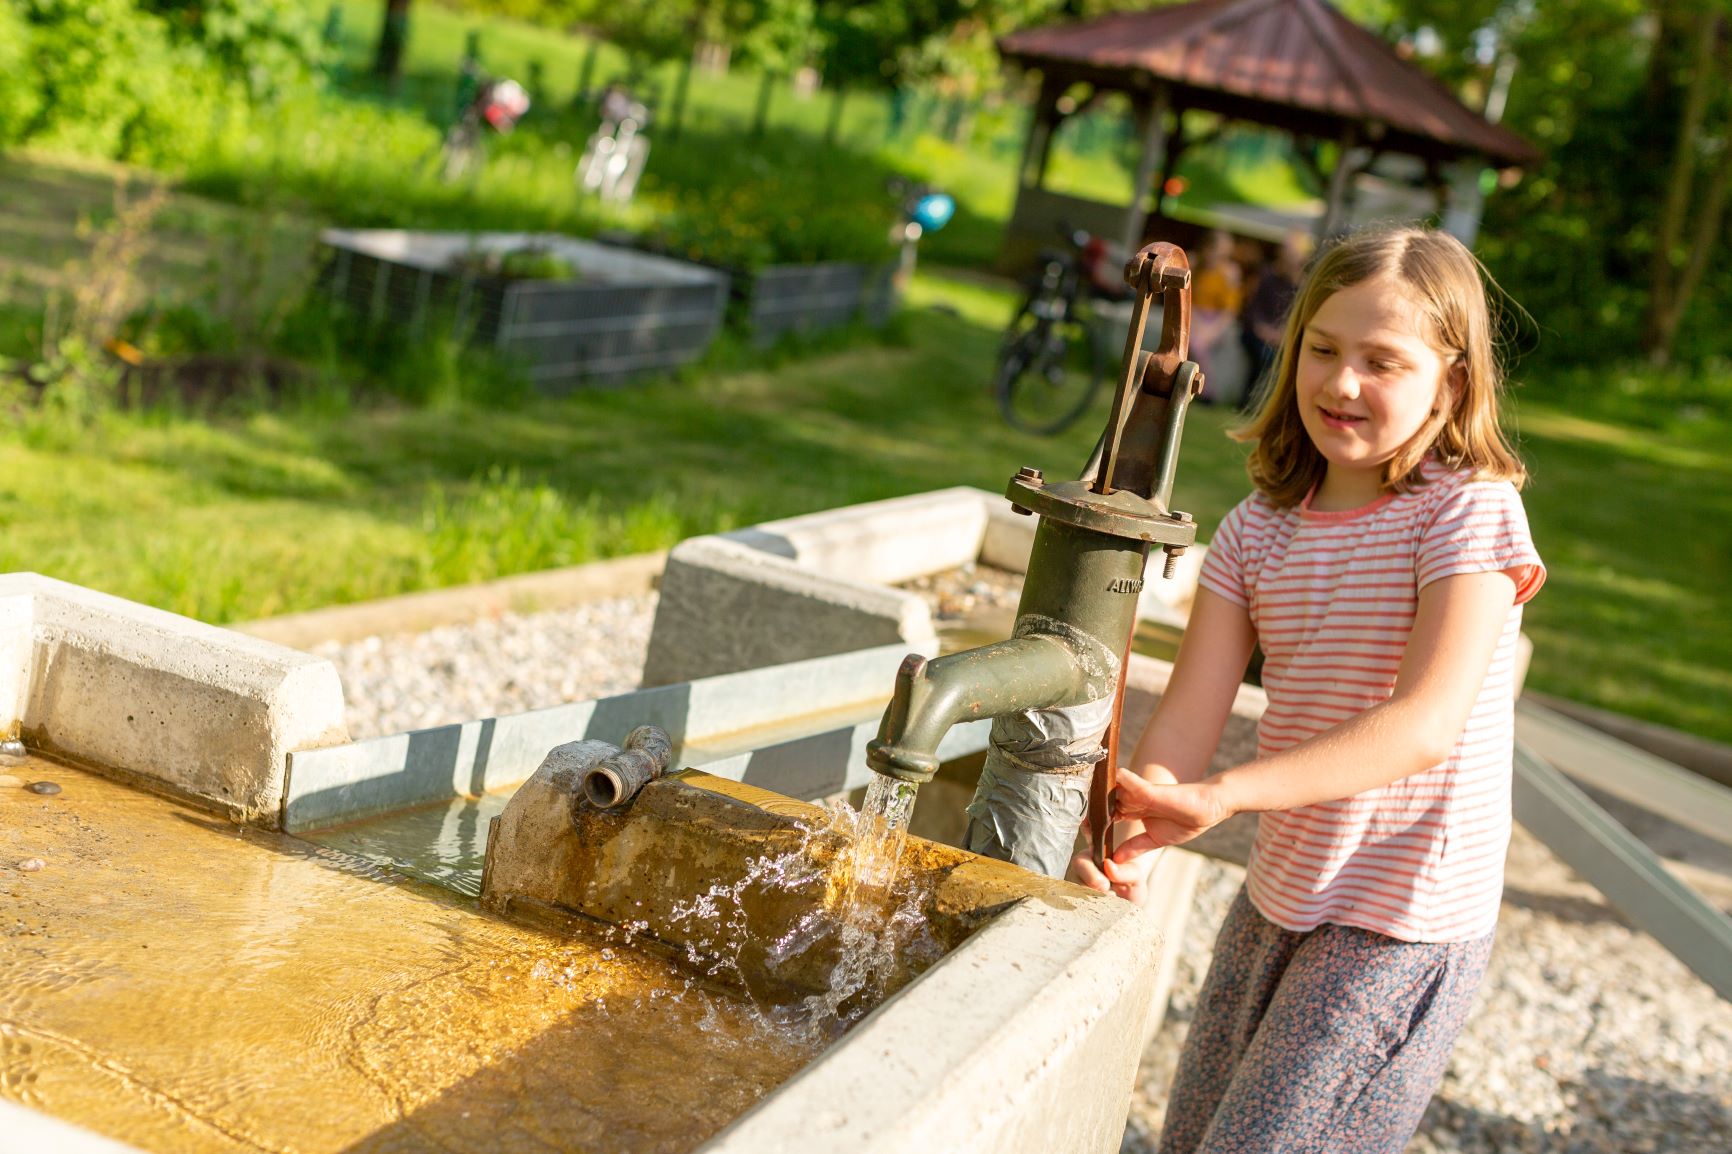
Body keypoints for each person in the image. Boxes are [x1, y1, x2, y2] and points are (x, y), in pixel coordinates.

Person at [1075, 225, 1545, 1154]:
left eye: (1384, 362)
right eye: (1323, 351)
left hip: (1399, 923)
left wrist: (1225, 797)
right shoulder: (1259, 532)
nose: (1342, 384)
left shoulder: (1469, 510)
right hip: (1280, 895)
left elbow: (1423, 727)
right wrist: (1131, 844)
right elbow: (1187, 722)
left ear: (1451, 381)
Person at [1239, 231, 1312, 411]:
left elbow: (1300, 319)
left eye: (1292, 253)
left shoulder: (1303, 287)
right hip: (1256, 333)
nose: (1288, 258)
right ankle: (1250, 403)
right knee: (1263, 355)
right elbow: (1252, 310)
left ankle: (1265, 406)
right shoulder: (1267, 277)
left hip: (1281, 338)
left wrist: (1281, 334)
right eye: (1286, 252)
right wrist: (1264, 330)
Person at [1189, 230, 1244, 402]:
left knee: (1198, 344)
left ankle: (1206, 390)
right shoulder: (1195, 267)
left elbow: (1229, 310)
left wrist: (1212, 329)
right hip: (1195, 316)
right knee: (1195, 341)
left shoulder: (1228, 273)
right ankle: (1201, 389)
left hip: (1215, 320)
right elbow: (1188, 301)